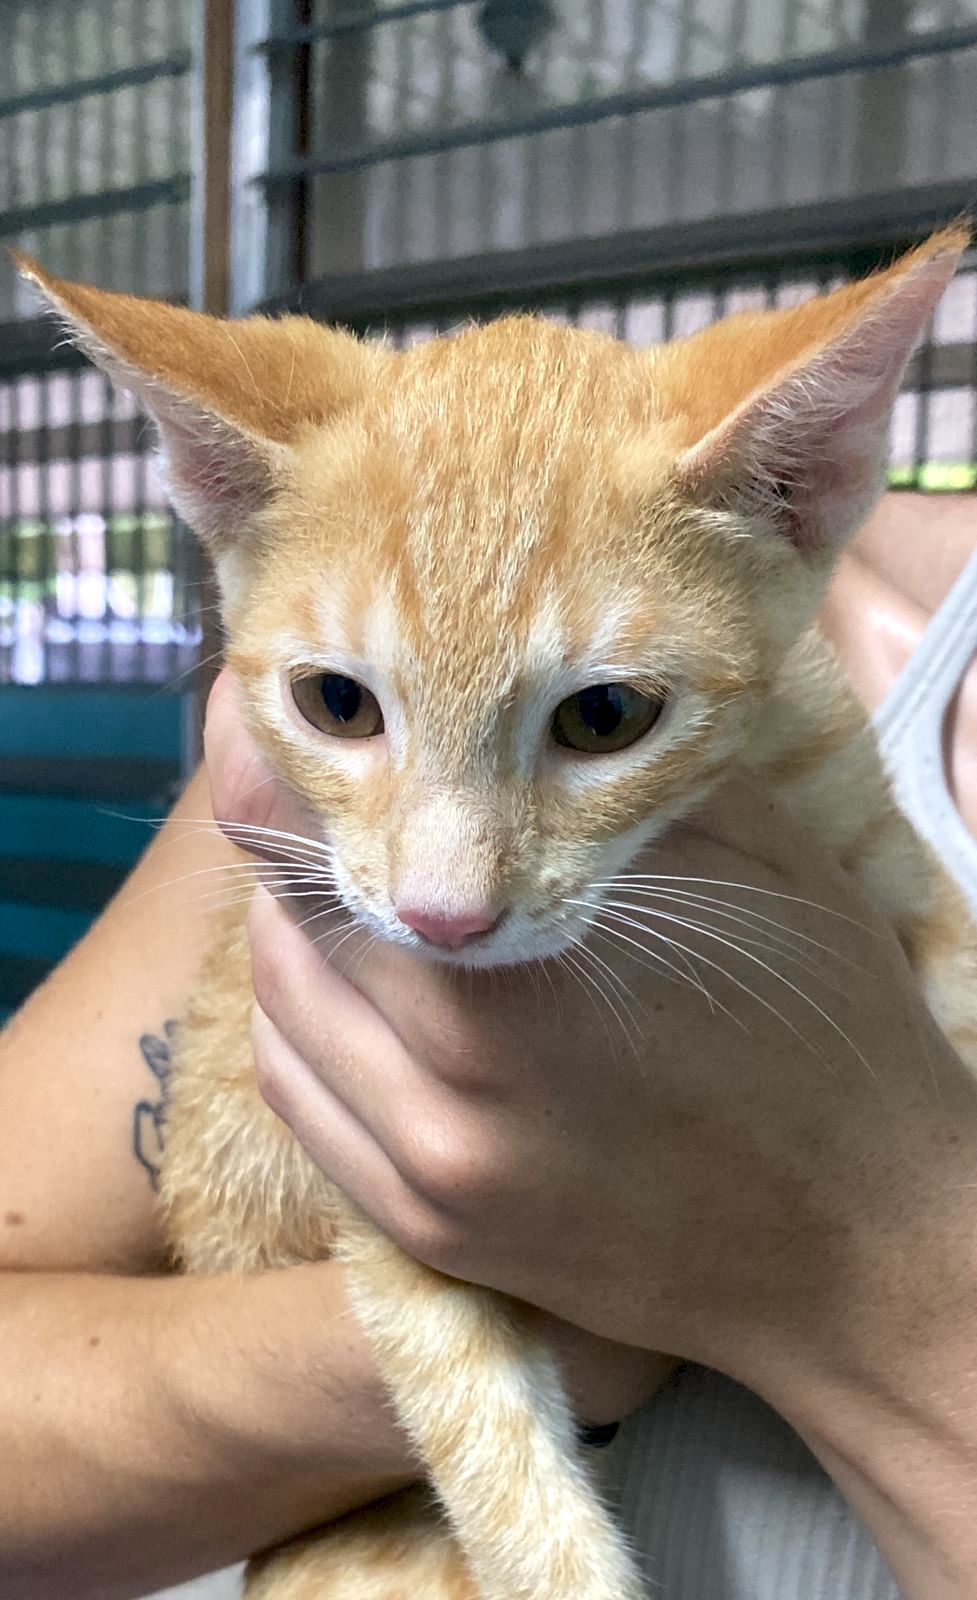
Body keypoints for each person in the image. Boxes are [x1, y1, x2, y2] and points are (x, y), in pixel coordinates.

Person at [1, 494, 976, 1600]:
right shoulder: (387, 605)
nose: (441, 903)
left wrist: (866, 1263)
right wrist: (536, 1327)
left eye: (603, 711)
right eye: (340, 700)